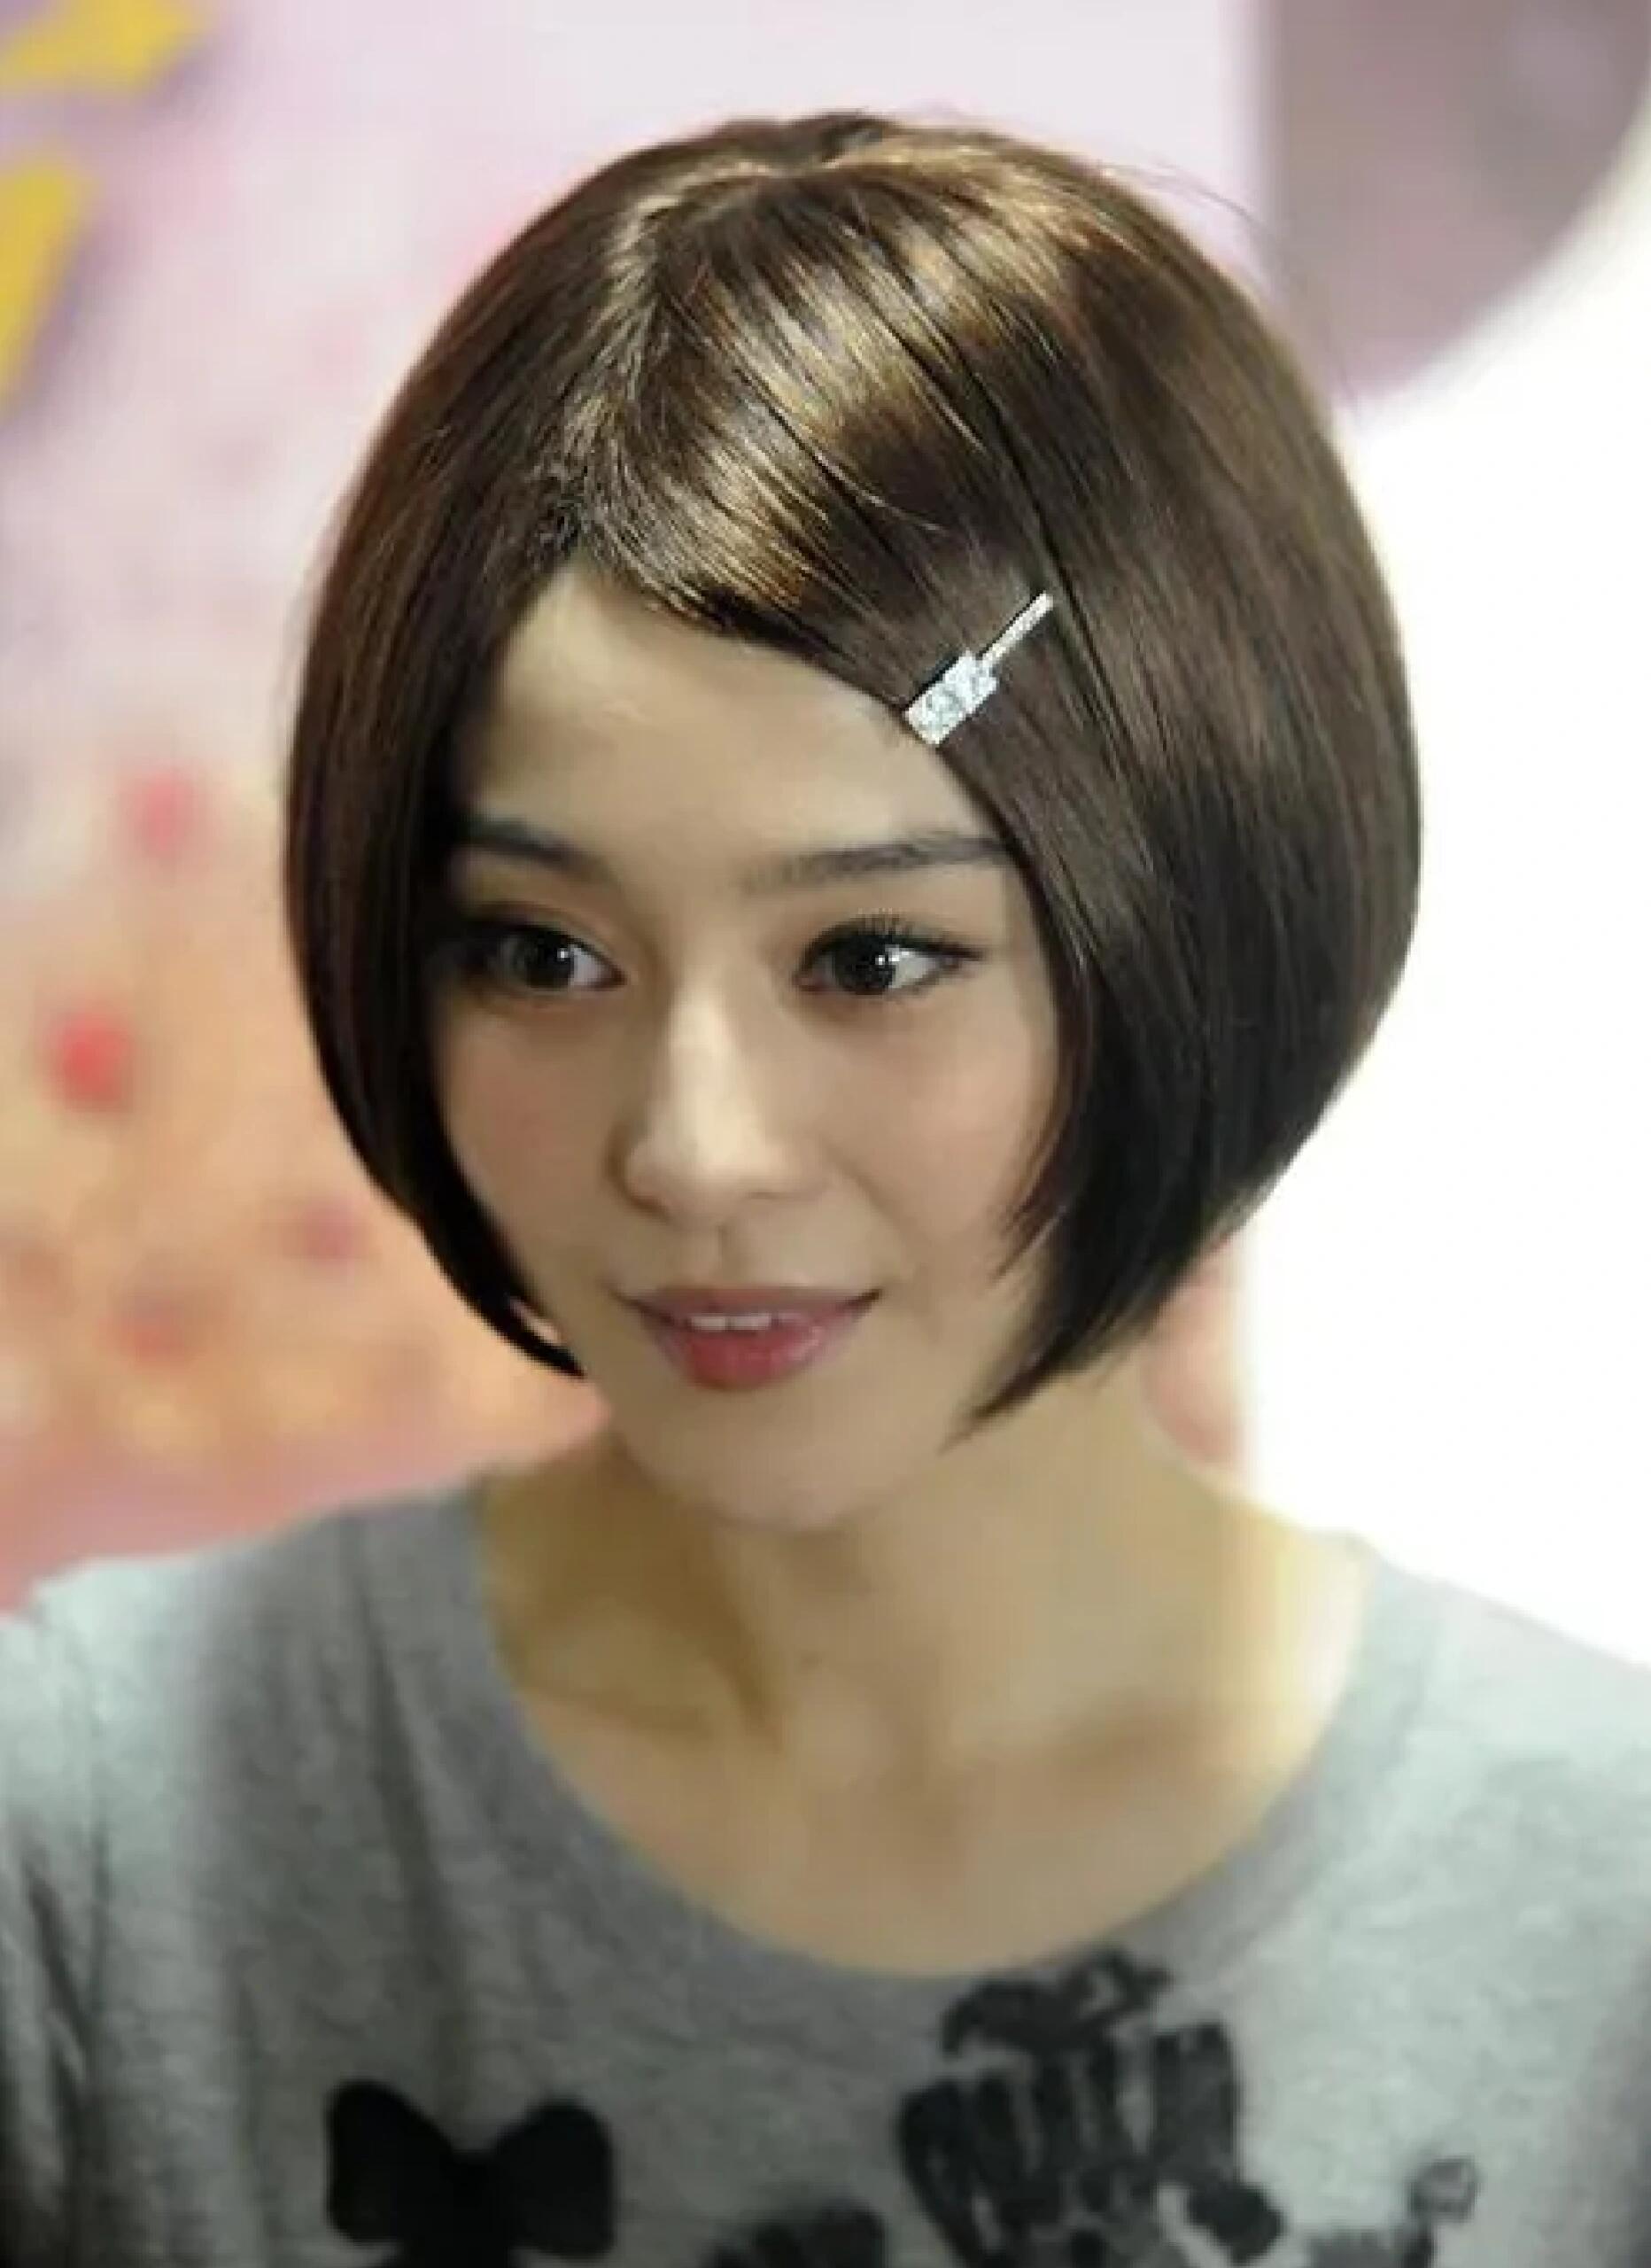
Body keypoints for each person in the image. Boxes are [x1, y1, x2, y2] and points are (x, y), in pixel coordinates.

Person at [3, 108, 1649, 2268]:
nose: (690, 1147)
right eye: (542, 953)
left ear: (1202, 918)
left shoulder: (1596, 1916)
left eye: (870, 958)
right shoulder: (100, 1834)